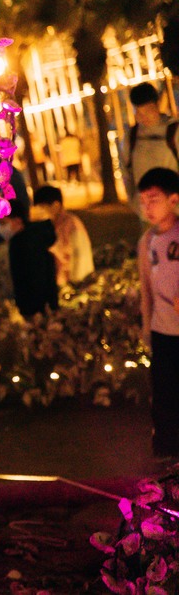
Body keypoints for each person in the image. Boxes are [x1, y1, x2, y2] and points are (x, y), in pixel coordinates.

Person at [137, 167, 179, 458]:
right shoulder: (146, 241)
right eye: (143, 201)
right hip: (162, 329)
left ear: (173, 200)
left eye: (153, 200)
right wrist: (146, 327)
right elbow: (146, 288)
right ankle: (167, 449)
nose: (147, 208)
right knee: (164, 391)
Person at [0, 199, 58, 317]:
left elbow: (35, 281)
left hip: (35, 312)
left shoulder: (25, 244)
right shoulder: (29, 239)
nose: (0, 228)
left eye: (3, 223)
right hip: (38, 310)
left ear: (17, 221)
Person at [122, 83, 179, 208]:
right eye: (139, 112)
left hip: (174, 210)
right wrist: (135, 204)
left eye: (148, 110)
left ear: (157, 105)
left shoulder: (174, 131)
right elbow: (126, 173)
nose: (144, 117)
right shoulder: (131, 136)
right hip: (146, 211)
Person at [32, 185, 94, 287]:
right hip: (60, 283)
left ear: (56, 205)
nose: (39, 212)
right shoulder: (52, 225)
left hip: (74, 284)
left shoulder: (71, 224)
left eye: (43, 207)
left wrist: (75, 284)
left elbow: (80, 256)